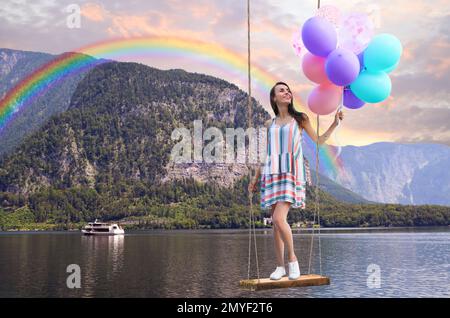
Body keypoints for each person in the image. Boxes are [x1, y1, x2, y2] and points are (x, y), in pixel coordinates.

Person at [248, 81, 344, 280]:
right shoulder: (270, 124)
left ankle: (292, 259)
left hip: (291, 172)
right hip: (271, 172)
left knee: (278, 218)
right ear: (274, 98)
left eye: (288, 90)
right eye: (281, 90)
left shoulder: (300, 119)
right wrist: (255, 178)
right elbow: (267, 153)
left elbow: (318, 141)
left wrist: (335, 123)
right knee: (275, 224)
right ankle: (280, 266)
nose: (287, 92)